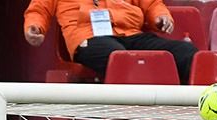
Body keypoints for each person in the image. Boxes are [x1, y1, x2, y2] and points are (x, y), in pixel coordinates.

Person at [23, 0, 197, 83]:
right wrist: (35, 27)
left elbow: (151, 4)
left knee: (186, 53)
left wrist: (161, 17)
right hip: (87, 36)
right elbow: (39, 9)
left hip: (130, 33)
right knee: (118, 57)